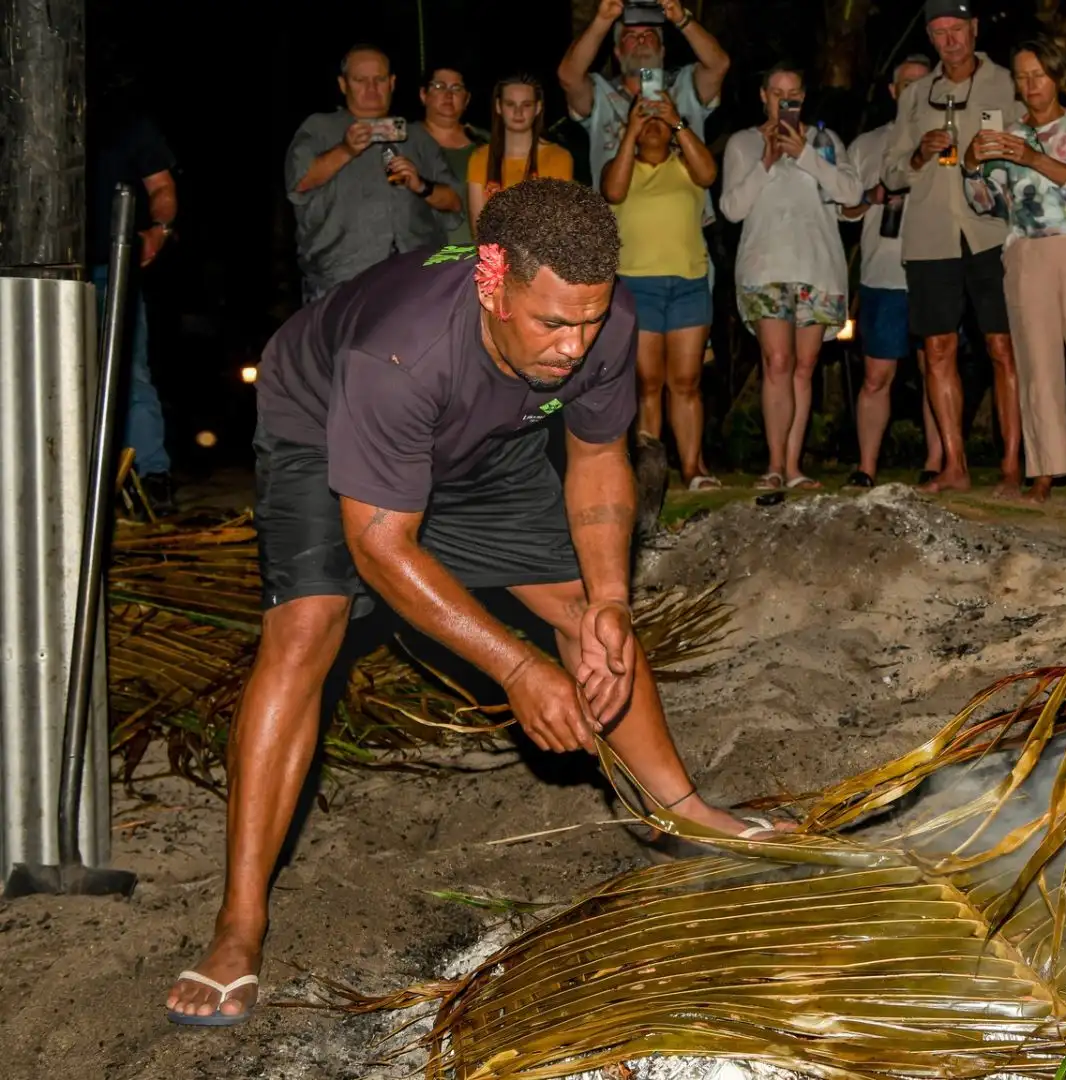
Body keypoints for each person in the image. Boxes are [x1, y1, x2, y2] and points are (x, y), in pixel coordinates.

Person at [162, 180, 775, 1028]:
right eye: (553, 323)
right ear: (491, 281)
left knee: (577, 609)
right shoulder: (398, 352)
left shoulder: (601, 317)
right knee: (308, 628)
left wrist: (609, 597)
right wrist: (515, 666)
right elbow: (383, 547)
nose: (575, 345)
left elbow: (598, 461)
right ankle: (238, 923)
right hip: (325, 422)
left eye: (590, 321)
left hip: (488, 434)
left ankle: (680, 811)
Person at [964, 38, 1066, 506]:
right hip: (1027, 252)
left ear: (1058, 75)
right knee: (1037, 366)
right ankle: (1044, 471)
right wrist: (974, 166)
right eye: (1021, 76)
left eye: (1038, 74)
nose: (1030, 84)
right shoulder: (1008, 133)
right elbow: (986, 205)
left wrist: (1031, 157)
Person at [883, 0, 1024, 496]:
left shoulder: (1006, 83)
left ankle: (1012, 466)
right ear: (930, 37)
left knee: (1003, 348)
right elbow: (890, 169)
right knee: (938, 348)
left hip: (991, 233)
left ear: (975, 29)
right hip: (930, 234)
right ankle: (954, 464)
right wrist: (919, 153)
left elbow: (1030, 147)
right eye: (939, 32)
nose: (950, 40)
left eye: (957, 29)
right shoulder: (917, 94)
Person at [718, 63, 864, 490]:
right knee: (777, 362)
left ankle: (796, 466)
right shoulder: (744, 143)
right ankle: (775, 464)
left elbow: (851, 195)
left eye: (794, 92)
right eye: (777, 92)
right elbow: (731, 208)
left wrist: (804, 154)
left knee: (805, 366)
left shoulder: (825, 141)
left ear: (804, 96)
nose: (786, 100)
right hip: (766, 269)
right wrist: (767, 159)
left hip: (818, 267)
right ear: (764, 95)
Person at [602, 88, 720, 489]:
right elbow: (612, 193)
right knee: (648, 383)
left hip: (688, 283)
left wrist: (677, 119)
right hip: (637, 285)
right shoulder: (620, 167)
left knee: (686, 382)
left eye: (659, 118)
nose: (651, 122)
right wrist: (631, 131)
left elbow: (709, 175)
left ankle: (693, 469)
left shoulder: (687, 165)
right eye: (643, 116)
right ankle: (652, 475)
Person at [286, 45, 462, 304]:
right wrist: (345, 150)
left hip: (416, 279)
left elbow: (455, 202)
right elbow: (299, 183)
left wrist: (421, 185)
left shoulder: (417, 136)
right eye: (360, 80)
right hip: (341, 280)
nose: (371, 88)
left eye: (379, 79)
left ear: (392, 83)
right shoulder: (319, 128)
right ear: (343, 84)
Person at [844, 55, 936, 488]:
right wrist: (873, 194)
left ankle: (939, 463)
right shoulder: (866, 145)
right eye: (907, 85)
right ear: (893, 91)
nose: (914, 93)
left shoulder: (945, 142)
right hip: (882, 273)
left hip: (934, 269)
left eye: (924, 84)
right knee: (877, 375)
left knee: (936, 368)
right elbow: (845, 209)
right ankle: (866, 467)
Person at [86, 101, 179, 513]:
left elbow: (162, 187)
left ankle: (149, 477)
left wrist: (158, 230)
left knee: (128, 370)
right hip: (35, 270)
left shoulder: (125, 119)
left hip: (112, 264)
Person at [559, 0, 730, 191]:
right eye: (630, 36)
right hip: (619, 216)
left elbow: (719, 65)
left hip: (684, 214)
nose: (641, 41)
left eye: (649, 35)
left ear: (662, 50)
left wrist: (682, 20)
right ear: (617, 52)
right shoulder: (601, 94)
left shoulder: (685, 85)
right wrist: (602, 19)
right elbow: (569, 76)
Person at [468, 75, 575, 236]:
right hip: (494, 256)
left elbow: (557, 224)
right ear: (499, 106)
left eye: (526, 105)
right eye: (510, 104)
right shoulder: (480, 158)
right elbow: (478, 229)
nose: (518, 112)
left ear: (538, 108)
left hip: (541, 256)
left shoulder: (559, 157)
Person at [419, 65, 487, 245]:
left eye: (456, 88)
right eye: (439, 87)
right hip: (421, 260)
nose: (448, 95)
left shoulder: (487, 143)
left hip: (482, 260)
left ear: (466, 99)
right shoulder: (404, 143)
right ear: (423, 95)